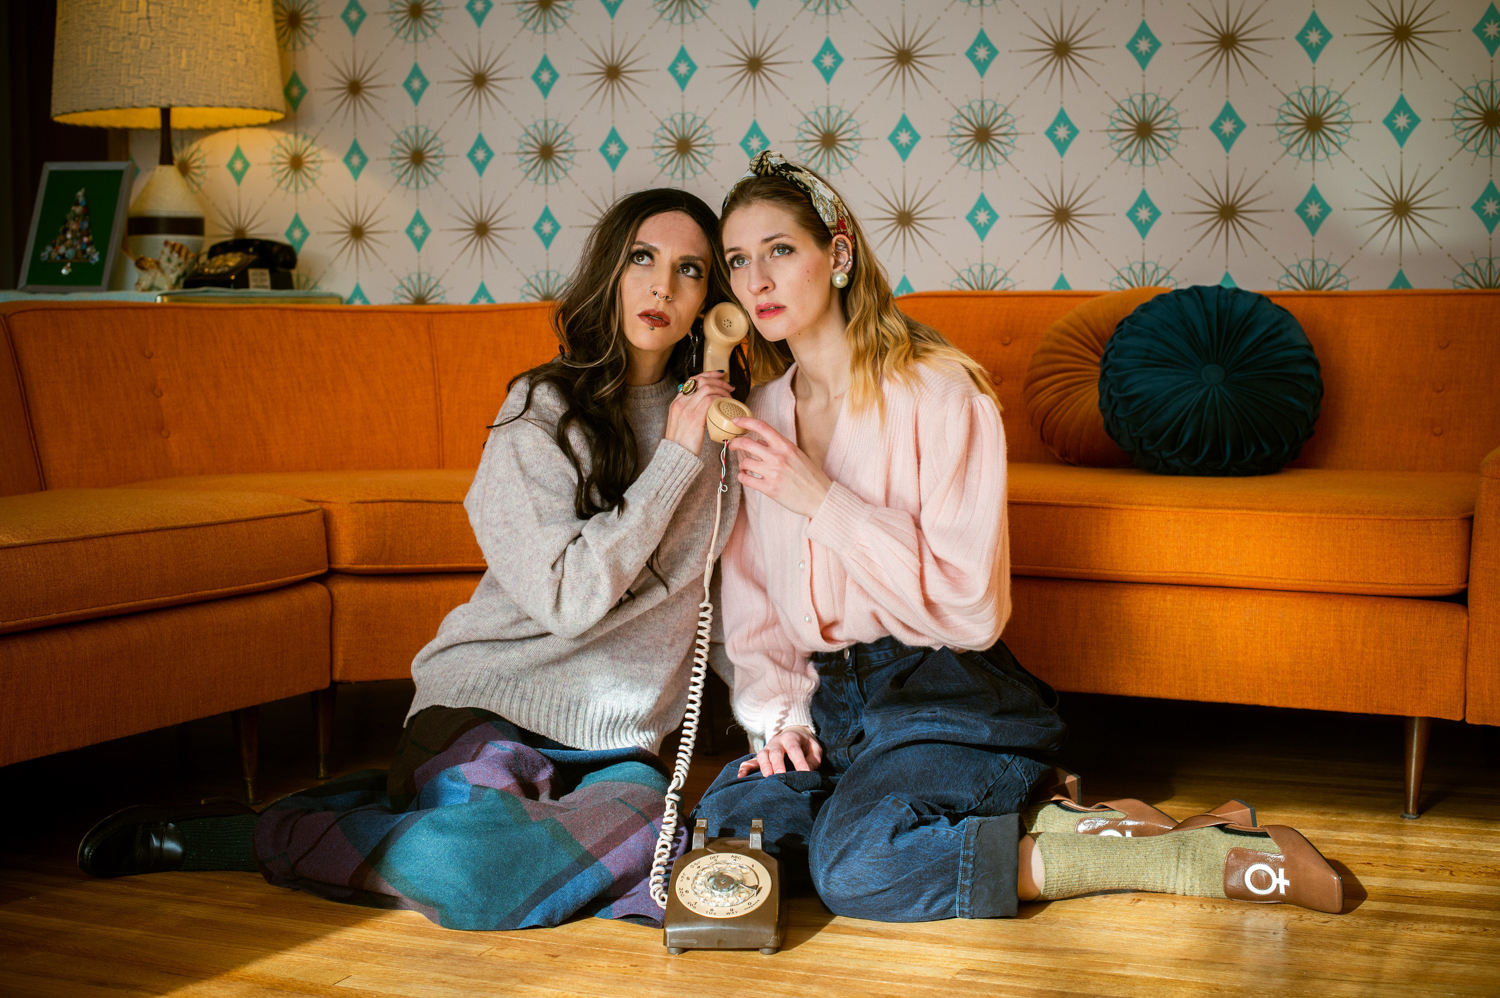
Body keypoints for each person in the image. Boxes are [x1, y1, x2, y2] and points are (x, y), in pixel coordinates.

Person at [691, 151, 1343, 921]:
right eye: (738, 260)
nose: (757, 280)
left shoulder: (941, 391)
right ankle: (1055, 816)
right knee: (730, 834)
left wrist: (820, 497)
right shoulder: (754, 417)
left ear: (837, 254)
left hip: (942, 689)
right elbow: (754, 602)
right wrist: (779, 722)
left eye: (780, 250)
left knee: (859, 865)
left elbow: (969, 611)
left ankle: (1195, 858)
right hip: (827, 702)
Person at [77, 188, 748, 931]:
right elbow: (567, 599)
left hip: (616, 744)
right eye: (642, 259)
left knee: (655, 831)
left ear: (712, 304)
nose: (662, 285)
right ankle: (253, 835)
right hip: (490, 705)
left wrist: (770, 720)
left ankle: (400, 807)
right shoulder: (541, 412)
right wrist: (674, 461)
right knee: (473, 875)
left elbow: (723, 597)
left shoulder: (724, 434)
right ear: (608, 273)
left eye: (690, 271)